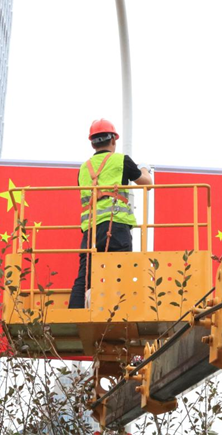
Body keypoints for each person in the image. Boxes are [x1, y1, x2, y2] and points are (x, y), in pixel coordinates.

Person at [68, 119, 151, 309]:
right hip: (116, 225)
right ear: (113, 140)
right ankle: (121, 311)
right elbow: (147, 183)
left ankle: (75, 312)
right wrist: (144, 167)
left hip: (90, 230)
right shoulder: (121, 160)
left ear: (92, 143)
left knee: (86, 273)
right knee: (121, 271)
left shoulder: (83, 168)